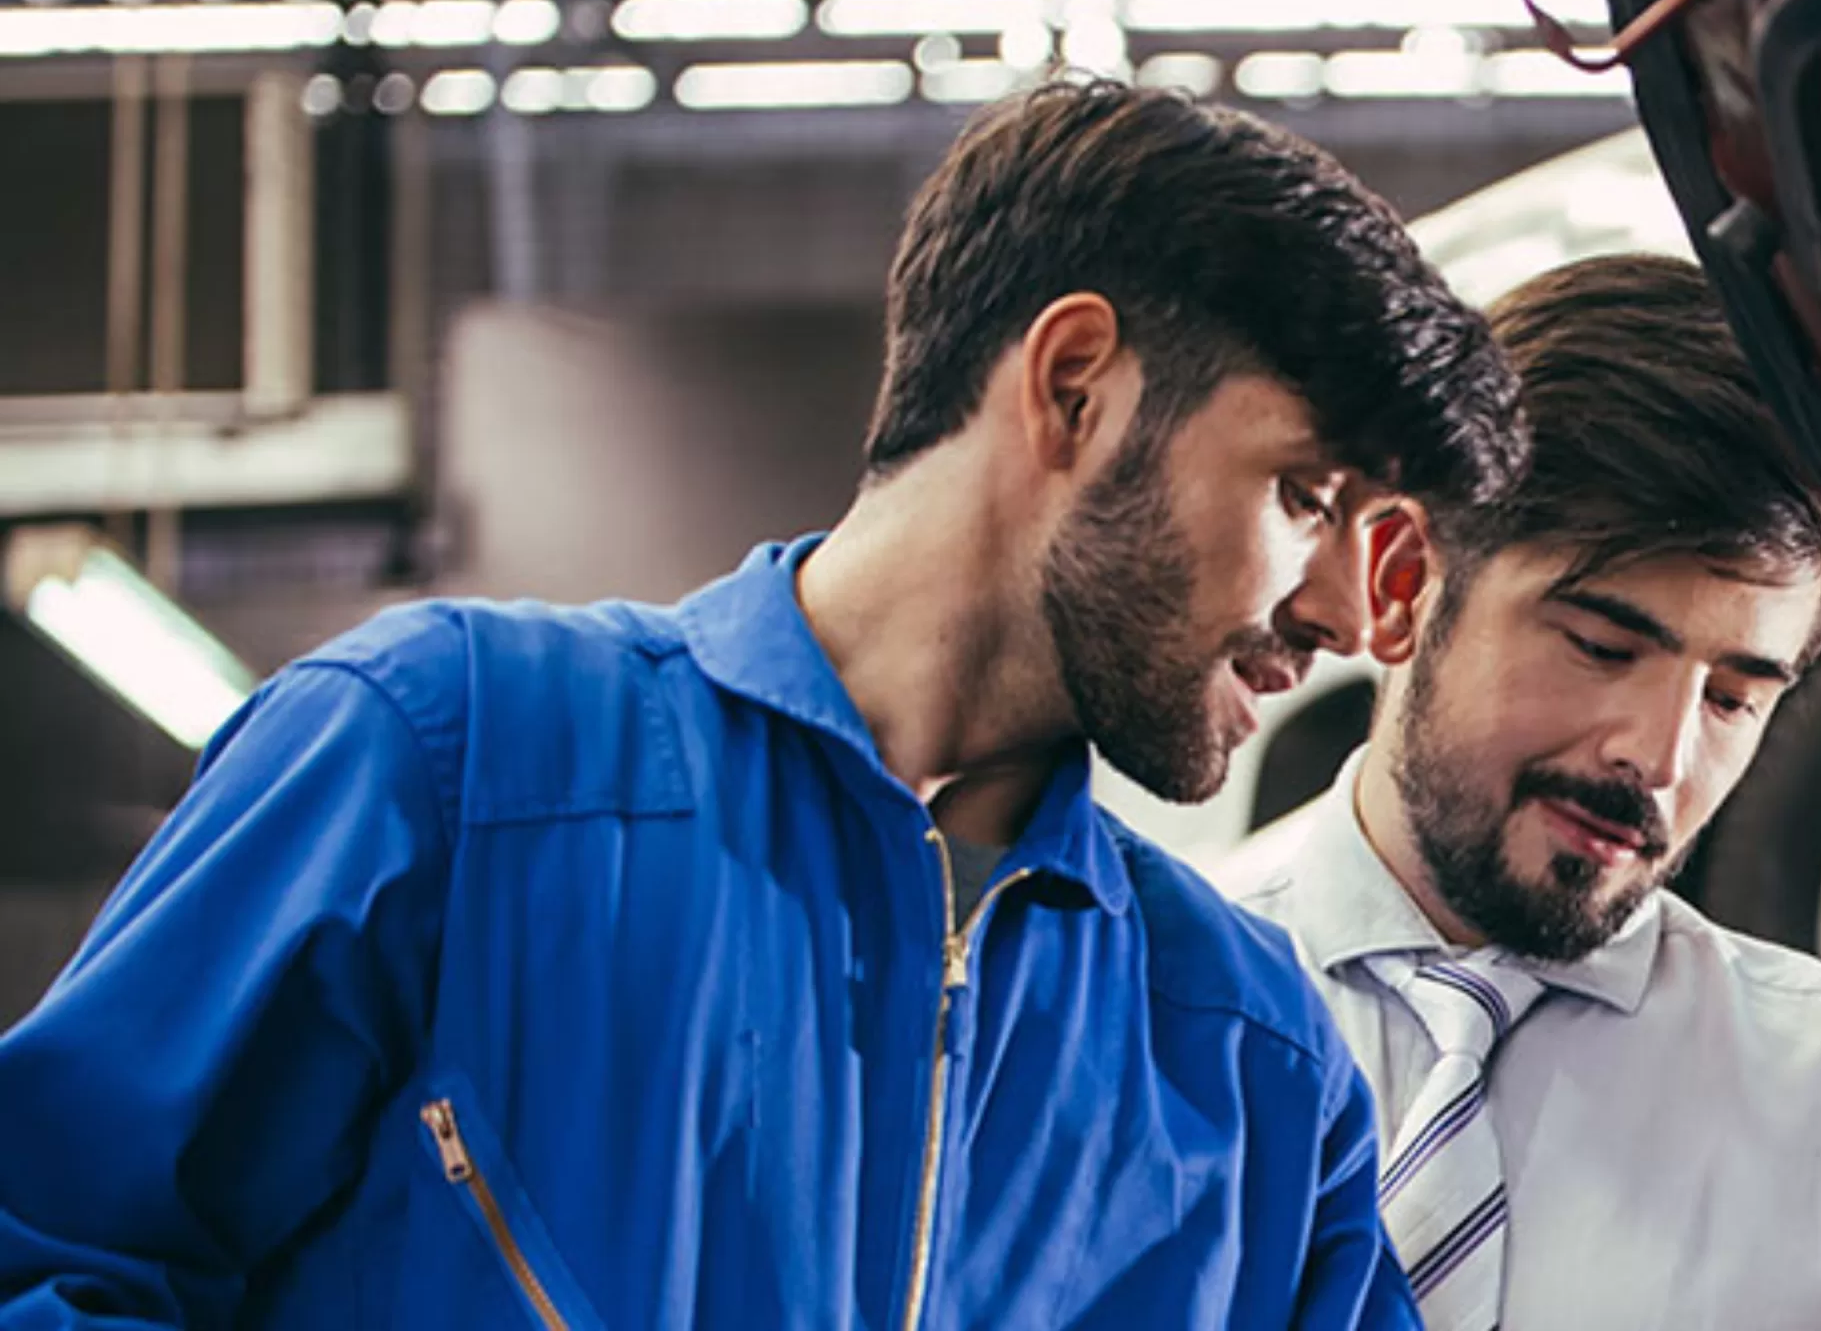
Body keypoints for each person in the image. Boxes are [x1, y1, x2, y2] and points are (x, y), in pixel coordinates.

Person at [0, 80, 1525, 1330]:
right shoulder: (450, 764)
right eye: (1306, 495)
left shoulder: (1247, 1059)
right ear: (1074, 385)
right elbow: (48, 1261)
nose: (1337, 614)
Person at [1219, 253, 1821, 1329]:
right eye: (1604, 647)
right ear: (1401, 582)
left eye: (1732, 698)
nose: (1657, 759)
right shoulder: (1104, 1031)